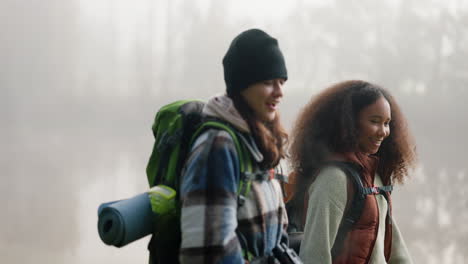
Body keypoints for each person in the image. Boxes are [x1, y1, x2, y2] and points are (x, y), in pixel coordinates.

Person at [178, 29, 292, 263]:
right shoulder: (218, 146)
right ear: (242, 85)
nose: (279, 92)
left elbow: (275, 239)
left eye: (281, 82)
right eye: (268, 82)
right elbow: (209, 252)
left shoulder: (259, 143)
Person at [288, 80, 416, 264]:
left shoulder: (375, 177)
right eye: (374, 121)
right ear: (348, 123)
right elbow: (314, 255)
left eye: (387, 123)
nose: (383, 131)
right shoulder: (333, 179)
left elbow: (396, 252)